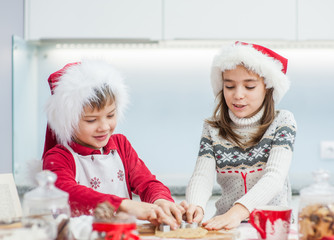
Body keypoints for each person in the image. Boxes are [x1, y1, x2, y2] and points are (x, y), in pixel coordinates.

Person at [42, 60, 183, 229]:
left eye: (110, 115)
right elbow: (67, 192)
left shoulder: (120, 145)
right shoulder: (59, 157)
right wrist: (123, 205)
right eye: (91, 120)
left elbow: (147, 183)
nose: (104, 127)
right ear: (67, 121)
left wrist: (161, 201)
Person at [182, 41, 297, 230]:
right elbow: (202, 176)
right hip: (226, 225)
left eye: (249, 87)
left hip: (271, 226)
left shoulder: (283, 121)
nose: (238, 95)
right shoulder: (213, 128)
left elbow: (274, 177)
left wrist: (237, 212)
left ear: (267, 89)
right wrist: (196, 206)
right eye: (229, 86)